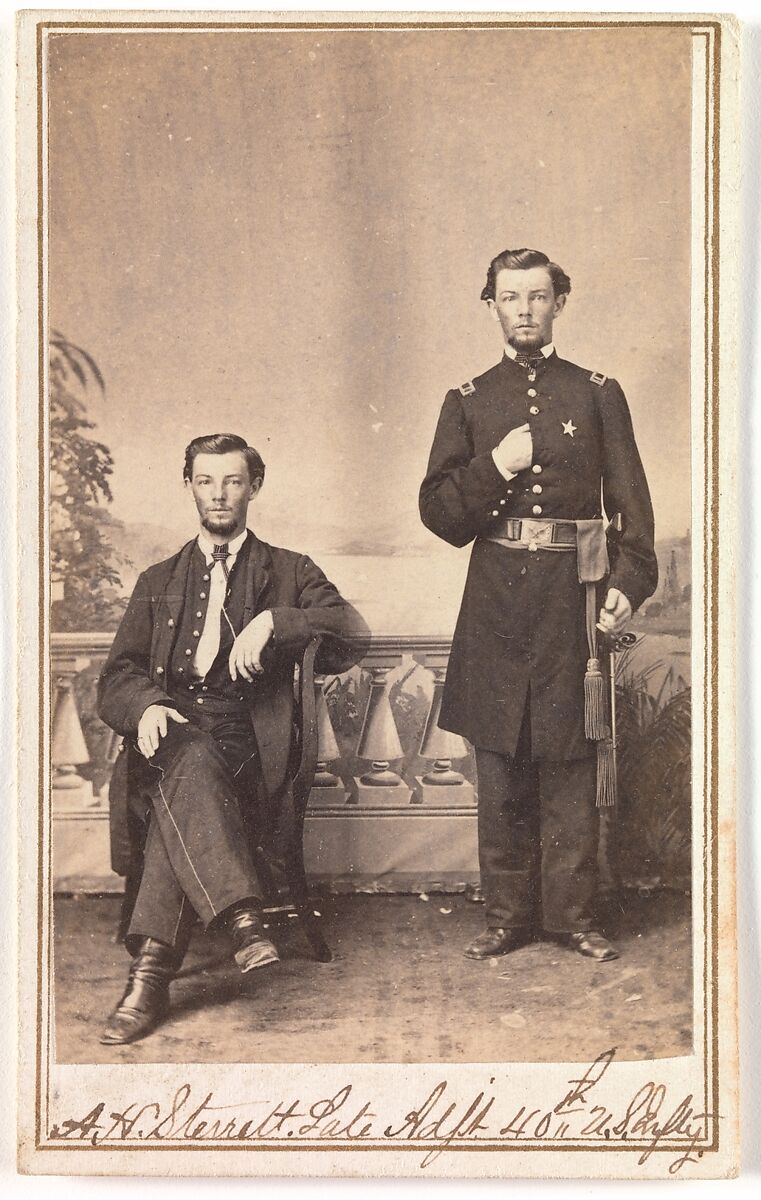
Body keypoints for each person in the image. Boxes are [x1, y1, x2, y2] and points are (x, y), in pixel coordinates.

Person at [419, 248, 657, 963]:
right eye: (509, 297)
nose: (523, 309)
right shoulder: (466, 400)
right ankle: (506, 917)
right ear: (489, 304)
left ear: (558, 302)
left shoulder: (595, 392)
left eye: (536, 296)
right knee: (499, 766)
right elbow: (438, 513)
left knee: (569, 766)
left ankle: (574, 918)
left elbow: (633, 515)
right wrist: (496, 466)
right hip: (494, 604)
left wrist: (625, 583)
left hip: (570, 602)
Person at [97, 432, 369, 1043]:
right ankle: (242, 919)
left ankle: (149, 981)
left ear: (254, 486)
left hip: (245, 743)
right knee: (182, 759)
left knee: (187, 774)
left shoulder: (289, 572)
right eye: (205, 481)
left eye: (232, 481)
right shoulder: (158, 579)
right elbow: (117, 674)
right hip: (166, 731)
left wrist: (278, 620)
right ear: (189, 485)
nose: (218, 495)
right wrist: (142, 706)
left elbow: (353, 631)